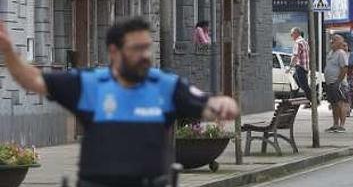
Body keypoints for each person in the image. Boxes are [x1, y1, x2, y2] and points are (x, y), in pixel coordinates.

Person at [0, 16, 239, 186]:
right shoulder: (90, 85)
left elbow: (207, 105)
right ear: (114, 52)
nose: (145, 55)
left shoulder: (166, 85)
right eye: (137, 48)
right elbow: (34, 81)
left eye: (147, 47)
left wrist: (222, 105)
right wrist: (10, 52)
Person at [324, 34, 349, 132]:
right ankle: (335, 124)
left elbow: (344, 68)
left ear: (340, 43)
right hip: (329, 82)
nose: (331, 42)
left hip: (338, 83)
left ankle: (341, 125)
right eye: (331, 40)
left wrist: (338, 81)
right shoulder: (330, 53)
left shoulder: (341, 53)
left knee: (340, 103)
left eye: (334, 40)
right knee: (333, 104)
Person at [290, 27, 312, 105]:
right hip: (305, 67)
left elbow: (295, 56)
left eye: (292, 34)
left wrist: (290, 67)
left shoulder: (297, 42)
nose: (291, 36)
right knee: (295, 83)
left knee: (304, 86)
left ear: (296, 33)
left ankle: (314, 101)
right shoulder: (305, 42)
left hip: (300, 67)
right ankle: (292, 100)